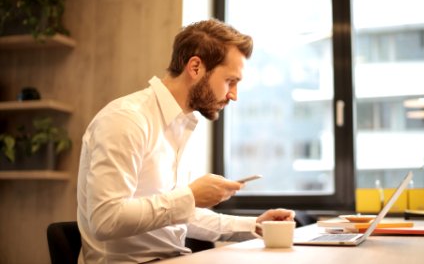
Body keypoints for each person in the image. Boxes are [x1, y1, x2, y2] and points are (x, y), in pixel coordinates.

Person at [77, 19, 294, 264]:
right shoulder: (126, 119)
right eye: (230, 81)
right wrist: (189, 196)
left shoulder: (181, 125)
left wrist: (253, 225)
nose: (234, 95)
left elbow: (173, 215)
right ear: (195, 67)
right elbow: (105, 220)